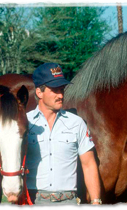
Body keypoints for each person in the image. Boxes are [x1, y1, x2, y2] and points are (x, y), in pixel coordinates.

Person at [26, 63, 101, 206]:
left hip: (68, 201)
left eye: (62, 89)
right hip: (32, 200)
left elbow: (89, 164)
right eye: (55, 90)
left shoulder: (77, 123)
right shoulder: (25, 123)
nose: (61, 95)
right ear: (39, 92)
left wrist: (96, 201)